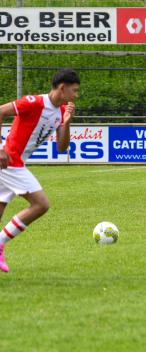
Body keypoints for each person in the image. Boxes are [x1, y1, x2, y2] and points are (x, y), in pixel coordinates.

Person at [0, 69, 79, 273]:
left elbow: (62, 148)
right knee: (41, 204)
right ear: (62, 88)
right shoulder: (33, 102)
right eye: (74, 90)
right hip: (10, 160)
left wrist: (68, 123)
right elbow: (0, 110)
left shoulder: (61, 112)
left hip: (14, 163)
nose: (75, 95)